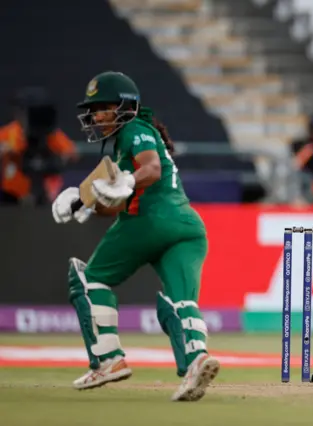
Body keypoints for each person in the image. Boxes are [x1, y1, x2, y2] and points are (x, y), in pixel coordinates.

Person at [50, 71, 220, 402]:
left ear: (124, 107)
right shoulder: (134, 138)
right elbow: (116, 197)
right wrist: (82, 202)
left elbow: (150, 170)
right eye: (94, 109)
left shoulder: (134, 129)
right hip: (188, 227)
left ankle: (108, 359)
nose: (96, 116)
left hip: (148, 223)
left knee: (89, 280)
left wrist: (125, 182)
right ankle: (196, 361)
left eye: (103, 108)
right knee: (180, 300)